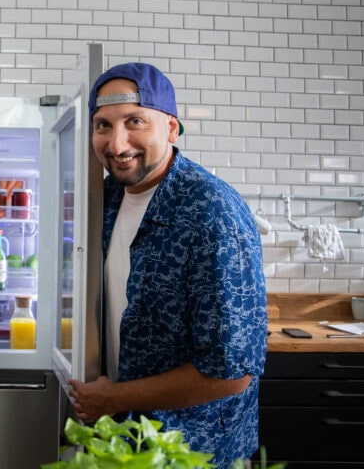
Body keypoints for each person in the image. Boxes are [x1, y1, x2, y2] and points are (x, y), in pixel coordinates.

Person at [67, 62, 268, 468]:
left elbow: (232, 373)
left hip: (194, 451)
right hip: (125, 442)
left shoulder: (212, 214)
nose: (116, 143)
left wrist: (113, 398)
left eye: (135, 121)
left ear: (171, 129)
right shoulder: (105, 198)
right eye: (103, 125)